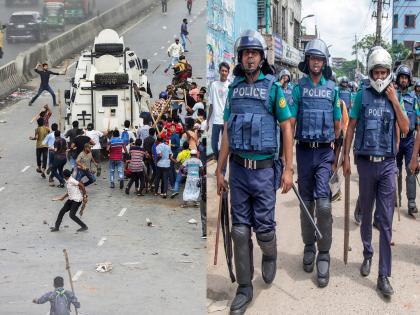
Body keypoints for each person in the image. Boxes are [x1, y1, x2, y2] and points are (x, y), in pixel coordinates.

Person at [216, 30, 294, 314]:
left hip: (263, 173)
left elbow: (286, 127)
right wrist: (219, 170)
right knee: (239, 230)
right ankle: (245, 287)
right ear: (240, 57)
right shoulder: (234, 90)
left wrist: (288, 168)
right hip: (238, 171)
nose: (250, 57)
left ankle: (269, 255)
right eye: (246, 53)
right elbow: (226, 130)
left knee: (263, 229)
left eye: (255, 53)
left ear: (261, 58)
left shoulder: (274, 88)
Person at [343, 47, 409, 297]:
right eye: (376, 72)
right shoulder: (361, 96)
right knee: (367, 214)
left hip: (388, 164)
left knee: (386, 220)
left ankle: (384, 275)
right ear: (371, 73)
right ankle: (367, 253)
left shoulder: (396, 96)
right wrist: (345, 159)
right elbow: (351, 127)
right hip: (366, 164)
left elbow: (404, 128)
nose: (380, 77)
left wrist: (394, 100)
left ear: (389, 73)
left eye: (384, 72)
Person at [290, 38, 341, 288]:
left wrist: (338, 156)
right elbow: (289, 122)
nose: (316, 62)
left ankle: (324, 252)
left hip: (323, 153)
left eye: (320, 58)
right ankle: (308, 246)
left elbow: (338, 124)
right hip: (303, 152)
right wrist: (286, 157)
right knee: (306, 203)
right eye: (312, 58)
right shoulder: (298, 88)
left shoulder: (333, 89)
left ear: (325, 62)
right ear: (307, 61)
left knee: (323, 205)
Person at [395, 64, 419, 215]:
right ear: (397, 79)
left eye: (406, 78)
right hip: (396, 140)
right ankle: (395, 199)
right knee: (394, 171)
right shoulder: (392, 95)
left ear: (409, 80)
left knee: (411, 170)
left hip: (409, 140)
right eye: (401, 77)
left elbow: (417, 120)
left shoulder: (414, 98)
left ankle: (411, 202)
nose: (403, 80)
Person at [208, 62, 230, 162]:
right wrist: (208, 120)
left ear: (228, 73)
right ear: (219, 71)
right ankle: (218, 160)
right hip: (216, 120)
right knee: (213, 144)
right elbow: (211, 104)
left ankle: (222, 168)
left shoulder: (230, 86)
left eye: (226, 71)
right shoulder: (214, 85)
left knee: (225, 145)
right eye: (222, 70)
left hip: (226, 120)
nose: (224, 72)